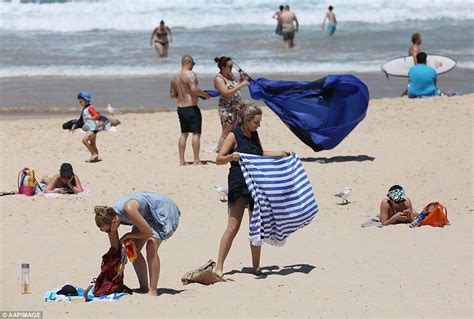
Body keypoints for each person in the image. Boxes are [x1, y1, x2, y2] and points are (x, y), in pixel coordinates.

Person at [214, 101, 292, 277]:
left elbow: (260, 153)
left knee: (257, 225)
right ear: (247, 120)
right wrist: (231, 157)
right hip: (238, 183)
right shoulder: (233, 136)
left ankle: (256, 267)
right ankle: (219, 267)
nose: (259, 125)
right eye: (256, 122)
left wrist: (280, 153)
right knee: (233, 226)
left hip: (256, 184)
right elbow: (218, 159)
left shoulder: (254, 134)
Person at [94, 192, 180, 296]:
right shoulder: (111, 220)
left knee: (151, 245)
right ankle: (143, 287)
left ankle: (153, 290)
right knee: (132, 249)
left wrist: (127, 235)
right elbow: (115, 247)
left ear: (114, 222)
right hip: (145, 217)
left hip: (163, 210)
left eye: (107, 231)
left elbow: (148, 232)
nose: (108, 233)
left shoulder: (128, 209)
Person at [170, 55, 210, 165]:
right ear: (189, 62)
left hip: (180, 108)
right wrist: (205, 95)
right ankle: (196, 160)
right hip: (191, 107)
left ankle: (182, 160)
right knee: (196, 134)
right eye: (193, 63)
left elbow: (172, 95)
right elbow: (194, 89)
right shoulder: (191, 74)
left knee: (183, 134)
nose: (193, 66)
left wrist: (183, 93)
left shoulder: (174, 76)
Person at [213, 56, 249, 152]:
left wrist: (241, 80)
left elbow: (235, 88)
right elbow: (227, 93)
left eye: (232, 66)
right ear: (222, 67)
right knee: (226, 131)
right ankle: (220, 152)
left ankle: (230, 149)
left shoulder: (231, 74)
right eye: (229, 66)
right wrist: (241, 84)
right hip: (226, 108)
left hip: (236, 107)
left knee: (235, 129)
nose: (231, 68)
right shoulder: (218, 78)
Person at [70, 91, 101, 163]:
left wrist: (91, 118)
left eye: (81, 101)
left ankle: (94, 154)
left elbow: (97, 115)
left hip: (93, 129)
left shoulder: (90, 108)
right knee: (93, 144)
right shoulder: (84, 108)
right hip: (91, 129)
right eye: (79, 102)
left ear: (86, 100)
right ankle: (96, 157)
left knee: (84, 141)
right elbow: (81, 119)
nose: (80, 103)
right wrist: (74, 125)